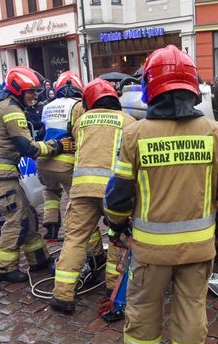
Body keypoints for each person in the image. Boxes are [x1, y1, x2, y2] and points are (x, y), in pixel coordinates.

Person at [103, 45, 218, 344]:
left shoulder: (135, 134)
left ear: (152, 86)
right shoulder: (214, 133)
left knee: (144, 306)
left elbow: (118, 196)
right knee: (192, 308)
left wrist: (117, 226)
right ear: (192, 86)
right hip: (198, 246)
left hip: (150, 251)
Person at [50, 78, 136, 314]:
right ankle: (112, 289)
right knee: (117, 237)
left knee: (75, 240)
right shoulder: (128, 122)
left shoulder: (82, 121)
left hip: (81, 192)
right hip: (113, 193)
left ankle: (63, 296)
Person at [0, 66, 66, 283]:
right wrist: (56, 146)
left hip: (0, 171)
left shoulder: (3, 105)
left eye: (36, 91)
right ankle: (6, 269)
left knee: (27, 215)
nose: (35, 96)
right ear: (18, 91)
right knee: (16, 219)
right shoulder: (11, 110)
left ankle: (39, 259)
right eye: (31, 92)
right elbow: (28, 148)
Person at [38, 71, 89, 241]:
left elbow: (42, 132)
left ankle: (51, 230)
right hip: (67, 161)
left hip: (44, 161)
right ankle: (76, 236)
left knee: (51, 192)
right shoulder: (79, 106)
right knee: (77, 201)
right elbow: (84, 133)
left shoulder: (47, 106)